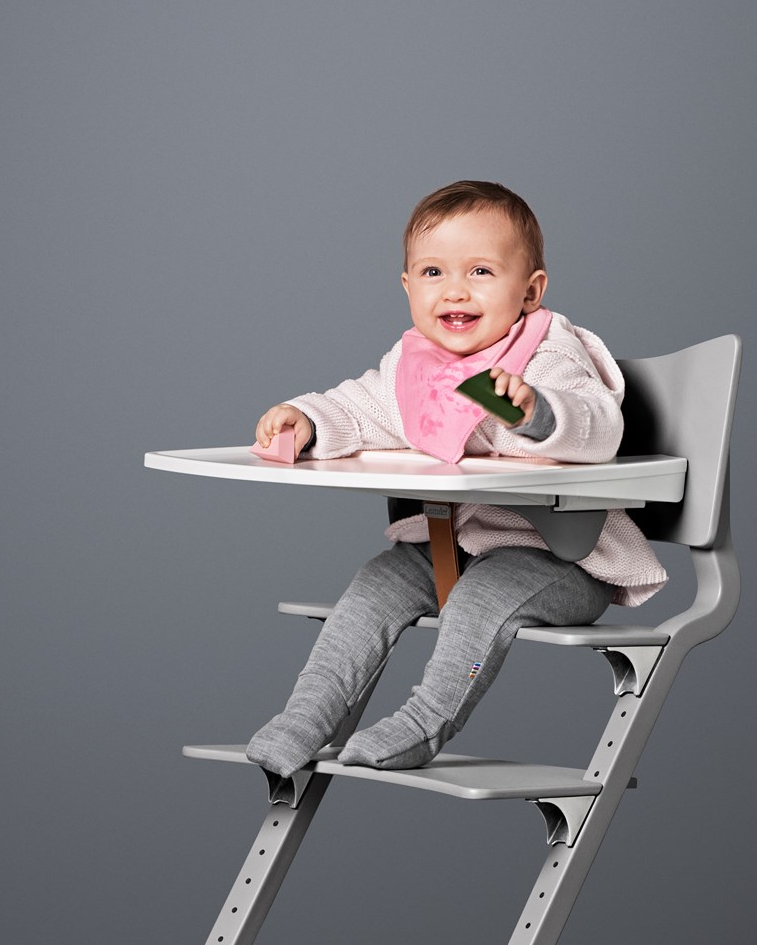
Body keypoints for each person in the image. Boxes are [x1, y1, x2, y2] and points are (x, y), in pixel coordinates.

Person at [245, 180, 667, 778]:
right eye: (434, 272)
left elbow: (601, 426)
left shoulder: (546, 355)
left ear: (530, 290)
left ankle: (423, 723)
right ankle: (303, 720)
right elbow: (361, 408)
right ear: (408, 287)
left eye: (481, 272)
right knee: (374, 585)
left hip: (563, 559)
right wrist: (307, 420)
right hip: (451, 549)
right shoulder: (415, 365)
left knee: (482, 598)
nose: (455, 291)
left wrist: (537, 411)